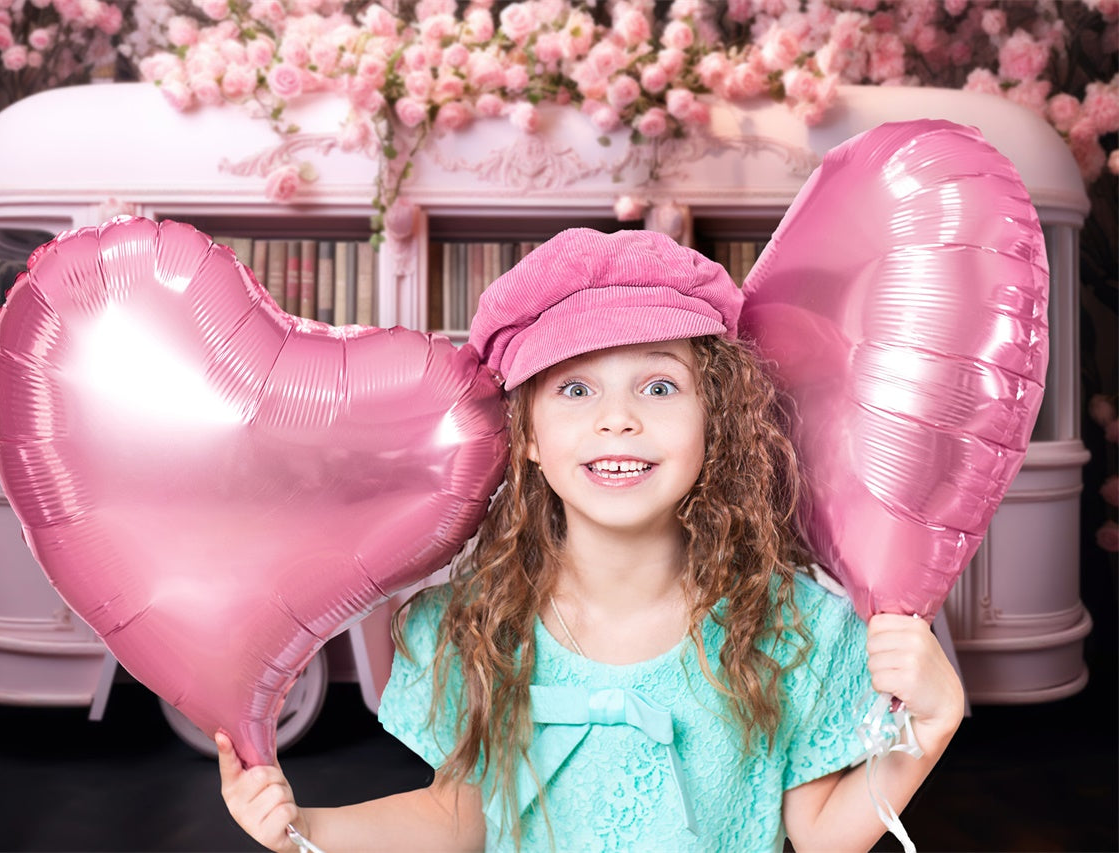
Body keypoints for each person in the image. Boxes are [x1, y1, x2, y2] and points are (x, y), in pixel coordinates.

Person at [217, 228, 964, 853]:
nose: (618, 419)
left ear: (716, 422)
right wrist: (302, 829)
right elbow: (462, 813)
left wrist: (929, 728)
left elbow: (825, 832)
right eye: (576, 389)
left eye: (659, 386)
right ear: (529, 435)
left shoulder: (791, 628)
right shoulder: (473, 626)